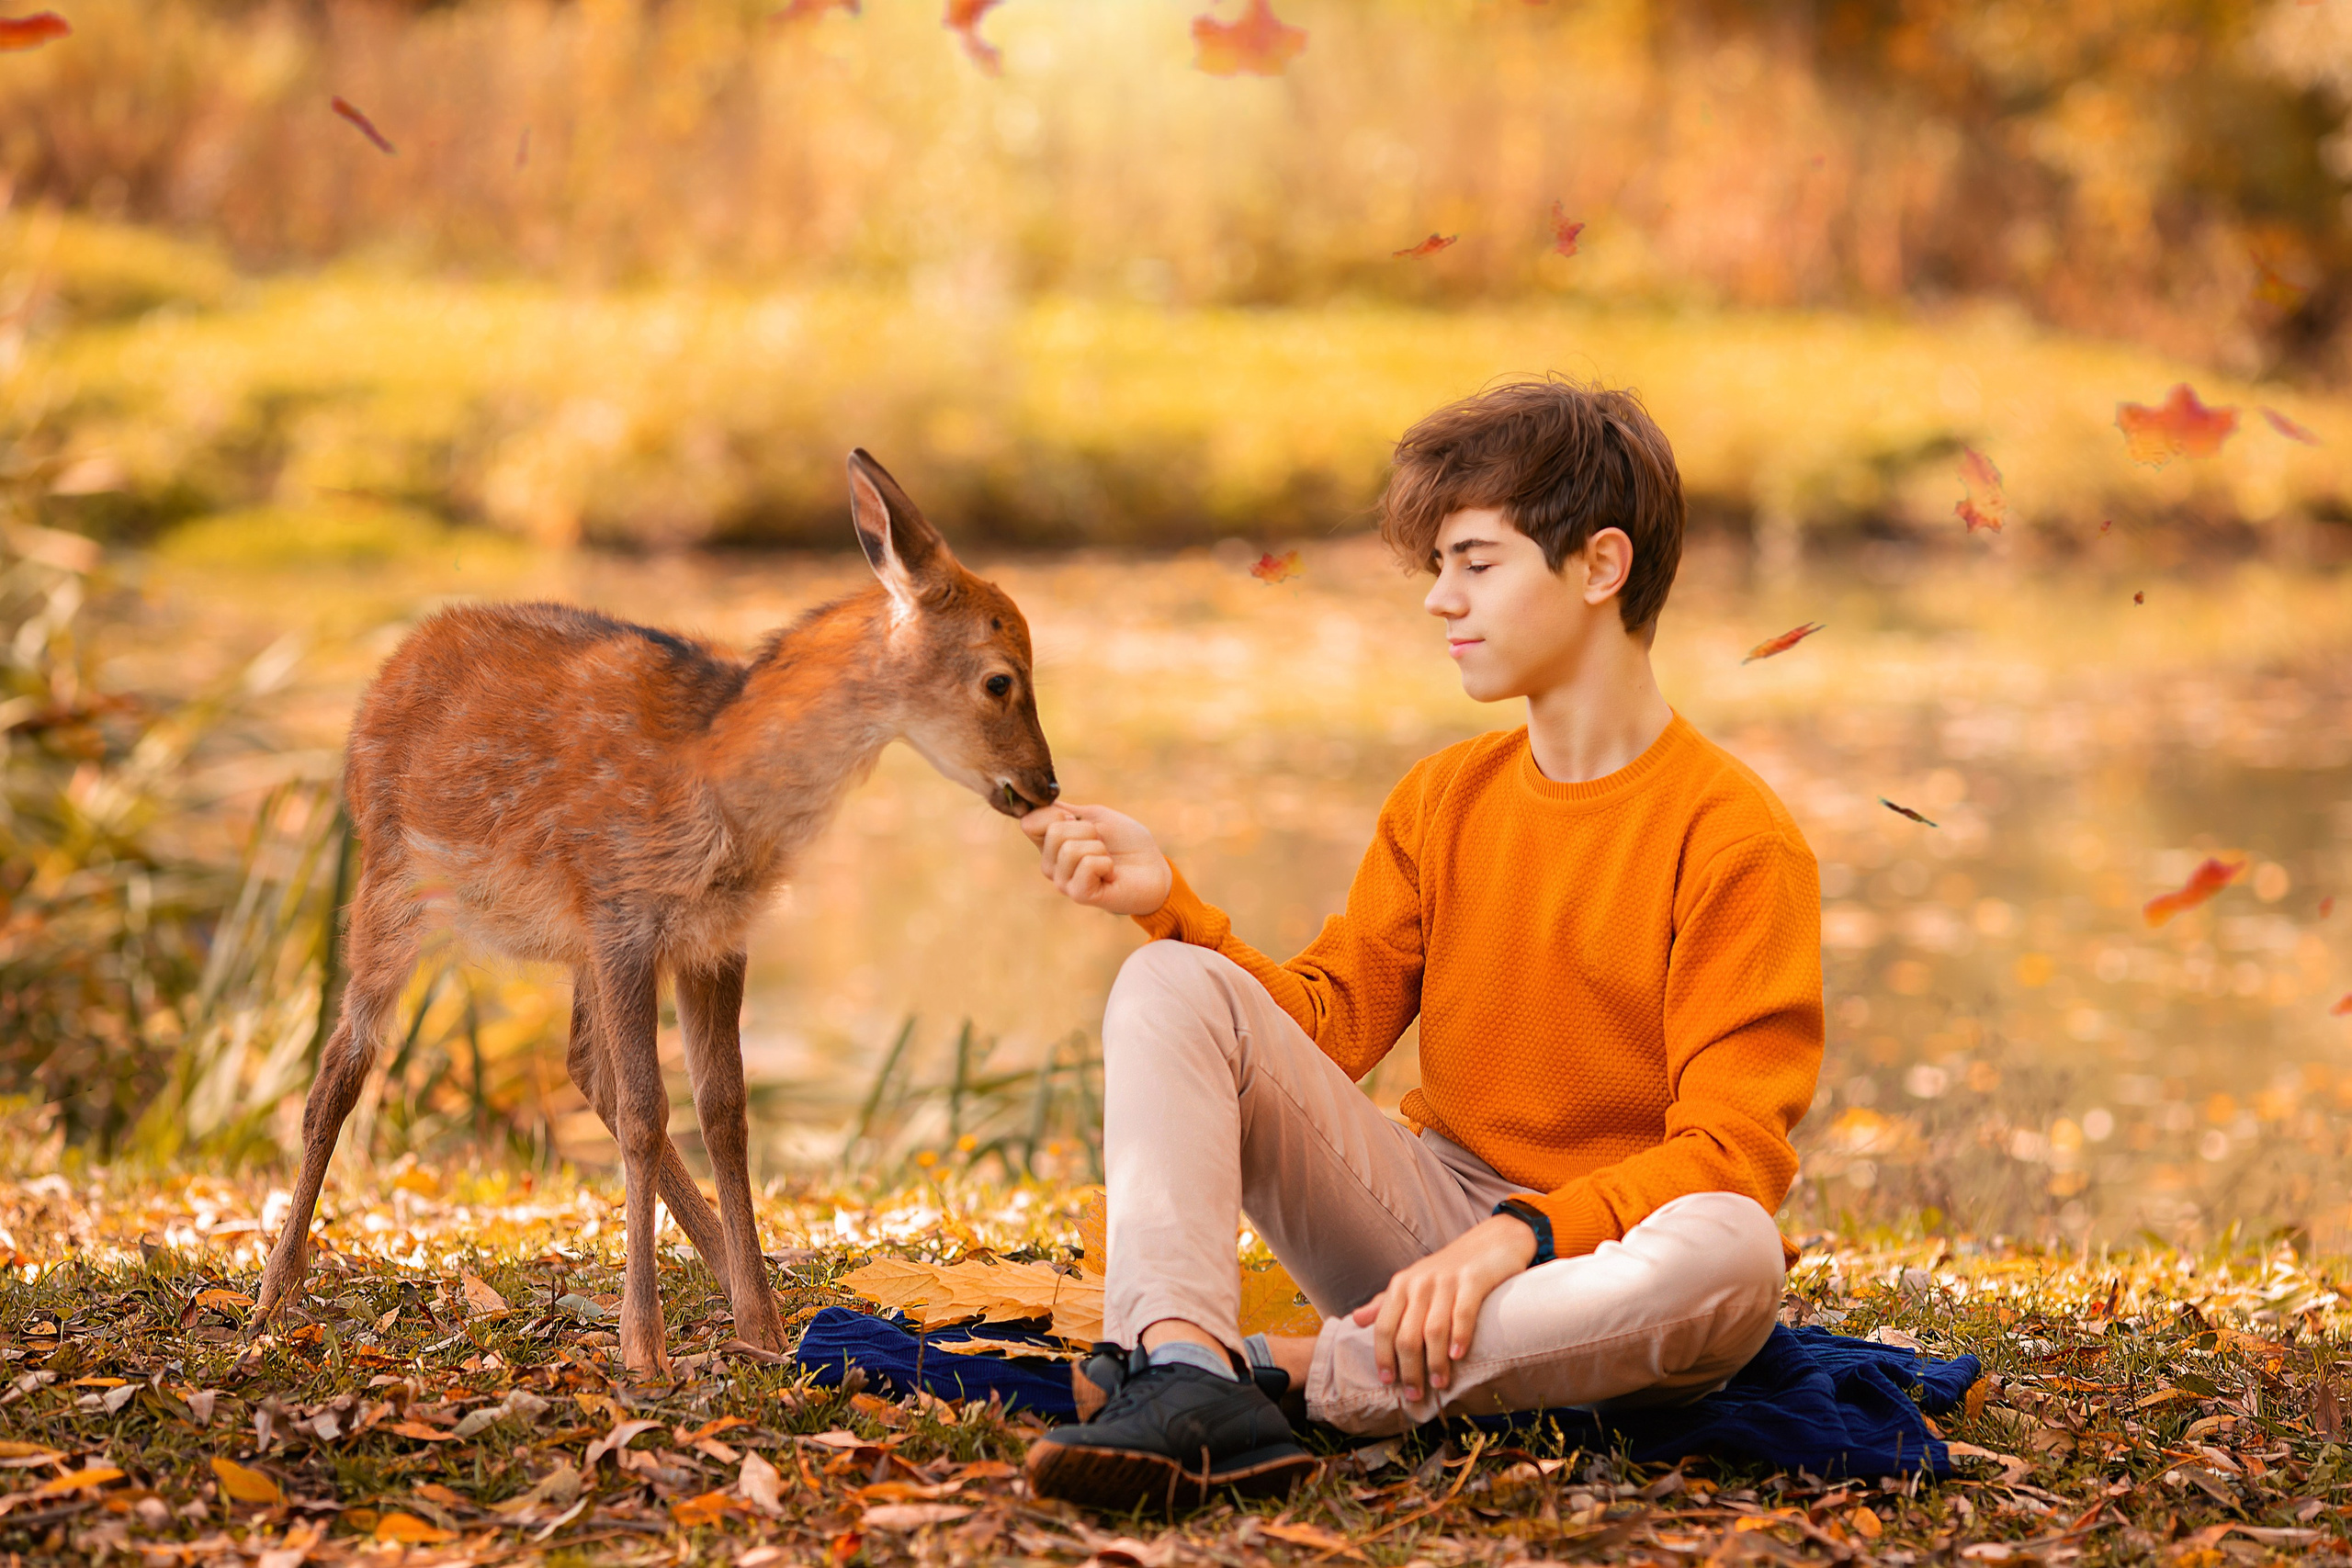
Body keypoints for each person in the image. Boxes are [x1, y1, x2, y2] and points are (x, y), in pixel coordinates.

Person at [1017, 378, 1825, 1514]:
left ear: (1600, 567)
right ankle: (1182, 1363)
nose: (1441, 600)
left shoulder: (1734, 840)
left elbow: (1732, 1156)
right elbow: (1328, 1028)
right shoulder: (1443, 797)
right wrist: (1169, 906)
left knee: (1735, 1254)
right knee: (1169, 980)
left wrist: (1515, 1241)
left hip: (1596, 1268)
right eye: (1437, 567)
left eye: (1475, 562)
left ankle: (1295, 1380)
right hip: (1412, 1229)